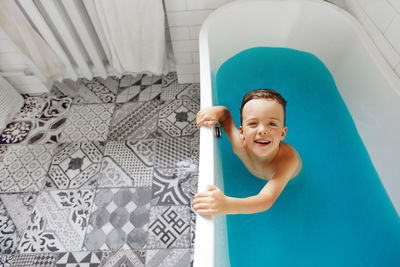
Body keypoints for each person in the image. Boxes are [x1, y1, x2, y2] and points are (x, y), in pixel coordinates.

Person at [193, 89, 302, 216]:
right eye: (253, 123)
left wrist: (227, 205)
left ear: (283, 133)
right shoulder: (240, 145)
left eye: (272, 124)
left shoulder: (288, 160)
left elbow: (266, 200)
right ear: (242, 132)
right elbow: (226, 117)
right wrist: (219, 111)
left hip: (292, 184)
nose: (262, 130)